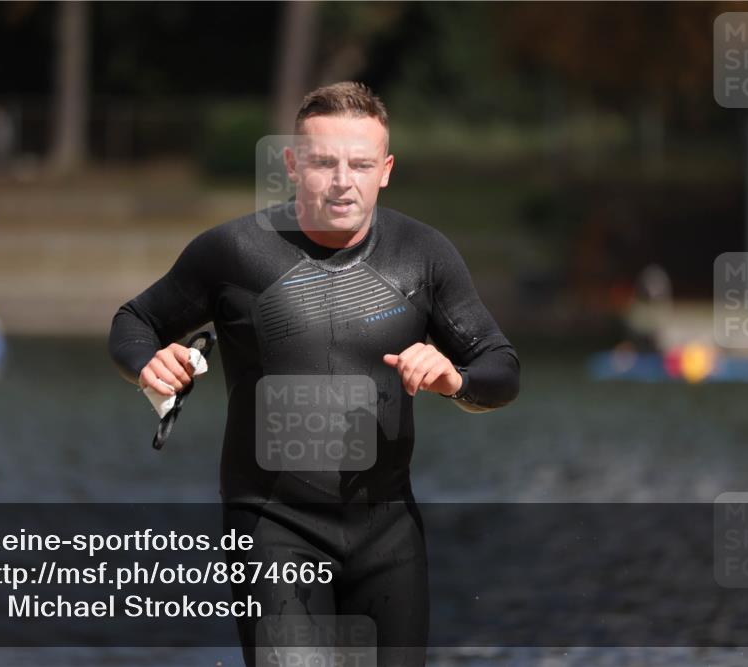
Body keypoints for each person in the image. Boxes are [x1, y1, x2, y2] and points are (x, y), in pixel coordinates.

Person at [109, 81, 520, 667]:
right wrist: (147, 364)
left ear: (386, 169)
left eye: (361, 163)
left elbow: (501, 370)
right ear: (292, 164)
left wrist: (455, 378)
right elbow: (134, 322)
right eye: (324, 162)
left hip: (389, 534)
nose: (342, 180)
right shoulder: (233, 252)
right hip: (274, 527)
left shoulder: (422, 255)